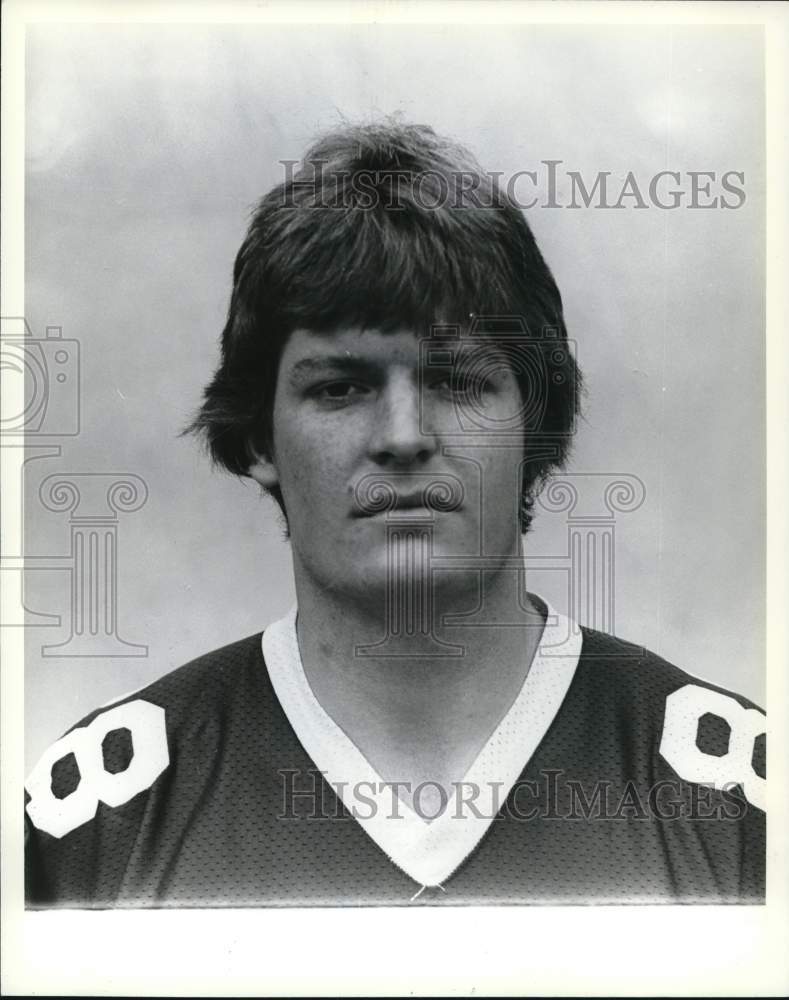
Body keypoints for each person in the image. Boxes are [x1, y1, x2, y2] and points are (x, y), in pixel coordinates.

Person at [25, 122, 765, 907]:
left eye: (458, 382)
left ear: (533, 424)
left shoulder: (737, 799)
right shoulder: (104, 819)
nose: (404, 437)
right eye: (340, 388)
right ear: (260, 436)